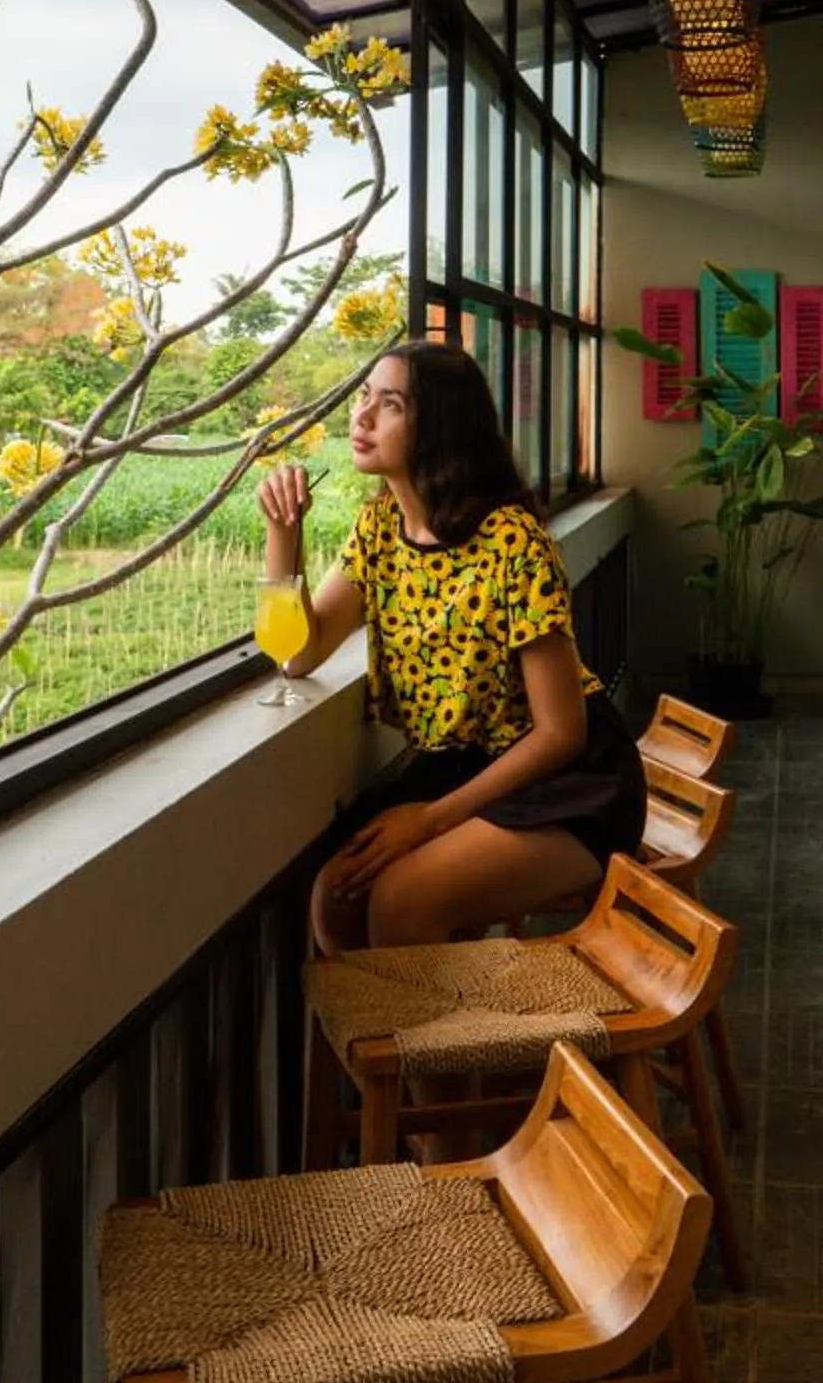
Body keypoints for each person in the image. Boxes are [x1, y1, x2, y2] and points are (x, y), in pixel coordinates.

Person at [257, 340, 646, 956]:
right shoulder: (380, 527)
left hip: (568, 782)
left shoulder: (512, 542)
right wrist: (283, 534)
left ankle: (453, 1051)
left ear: (438, 426)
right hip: (465, 767)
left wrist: (428, 822)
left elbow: (560, 733)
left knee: (401, 902)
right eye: (364, 398)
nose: (360, 418)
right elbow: (297, 654)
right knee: (336, 898)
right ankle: (387, 1051)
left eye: (389, 405)